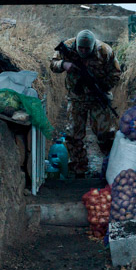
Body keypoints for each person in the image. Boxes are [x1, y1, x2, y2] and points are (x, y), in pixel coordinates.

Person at [50, 29, 122, 177]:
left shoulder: (105, 51)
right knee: (73, 135)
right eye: (80, 48)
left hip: (98, 97)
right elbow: (53, 64)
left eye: (86, 49)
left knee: (106, 134)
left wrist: (100, 87)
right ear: (76, 45)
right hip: (77, 97)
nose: (83, 51)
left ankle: (110, 168)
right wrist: (64, 64)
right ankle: (79, 169)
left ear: (93, 46)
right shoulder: (68, 47)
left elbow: (116, 74)